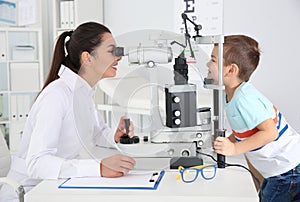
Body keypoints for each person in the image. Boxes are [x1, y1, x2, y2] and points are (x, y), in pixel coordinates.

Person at [0, 22, 136, 201]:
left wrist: (116, 136)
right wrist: (98, 168)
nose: (119, 57)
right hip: (29, 193)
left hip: (56, 186)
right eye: (112, 51)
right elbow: (37, 163)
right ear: (87, 58)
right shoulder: (57, 95)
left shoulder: (83, 92)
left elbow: (97, 133)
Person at [207, 35, 300, 201]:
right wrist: (227, 143)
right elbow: (246, 131)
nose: (207, 64)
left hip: (288, 168)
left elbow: (270, 133)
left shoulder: (244, 98)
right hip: (280, 169)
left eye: (213, 60)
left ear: (231, 70)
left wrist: (234, 149)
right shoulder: (229, 94)